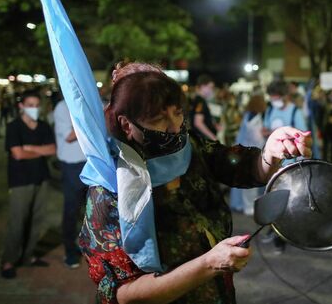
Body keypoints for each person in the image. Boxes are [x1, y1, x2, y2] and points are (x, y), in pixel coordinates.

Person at [77, 62, 311, 304]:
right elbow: (123, 294)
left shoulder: (191, 147)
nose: (174, 127)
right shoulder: (108, 188)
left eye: (177, 113)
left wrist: (271, 152)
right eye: (158, 119)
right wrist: (208, 264)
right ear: (127, 125)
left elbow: (241, 167)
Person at [1, 89, 56, 279]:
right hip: (20, 181)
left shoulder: (43, 126)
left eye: (36, 105)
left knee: (36, 221)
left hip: (41, 178)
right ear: (21, 106)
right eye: (29, 105)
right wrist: (39, 151)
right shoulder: (13, 127)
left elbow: (52, 149)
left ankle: (28, 256)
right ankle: (8, 261)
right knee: (17, 222)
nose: (34, 109)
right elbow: (17, 154)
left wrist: (30, 148)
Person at [261, 80, 308, 253]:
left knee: (286, 203)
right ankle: (273, 230)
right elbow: (265, 129)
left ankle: (280, 238)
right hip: (273, 163)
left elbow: (303, 136)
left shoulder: (295, 111)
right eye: (272, 97)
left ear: (285, 96)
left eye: (276, 97)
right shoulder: (270, 109)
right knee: (273, 200)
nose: (274, 100)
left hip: (290, 165)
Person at [53, 97, 88, 269]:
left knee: (91, 211)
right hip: (72, 166)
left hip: (91, 164)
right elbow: (69, 136)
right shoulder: (62, 107)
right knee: (71, 210)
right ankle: (70, 250)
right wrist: (91, 119)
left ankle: (87, 247)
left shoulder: (91, 102)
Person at [229, 94, 267, 215]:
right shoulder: (256, 118)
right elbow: (257, 138)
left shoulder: (248, 115)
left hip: (242, 150)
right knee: (250, 181)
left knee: (240, 179)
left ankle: (239, 204)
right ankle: (248, 207)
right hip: (251, 152)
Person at [190, 75, 219, 141]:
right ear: (203, 86)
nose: (211, 90)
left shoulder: (198, 100)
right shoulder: (200, 101)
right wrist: (213, 137)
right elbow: (198, 122)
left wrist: (213, 125)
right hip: (202, 139)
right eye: (210, 87)